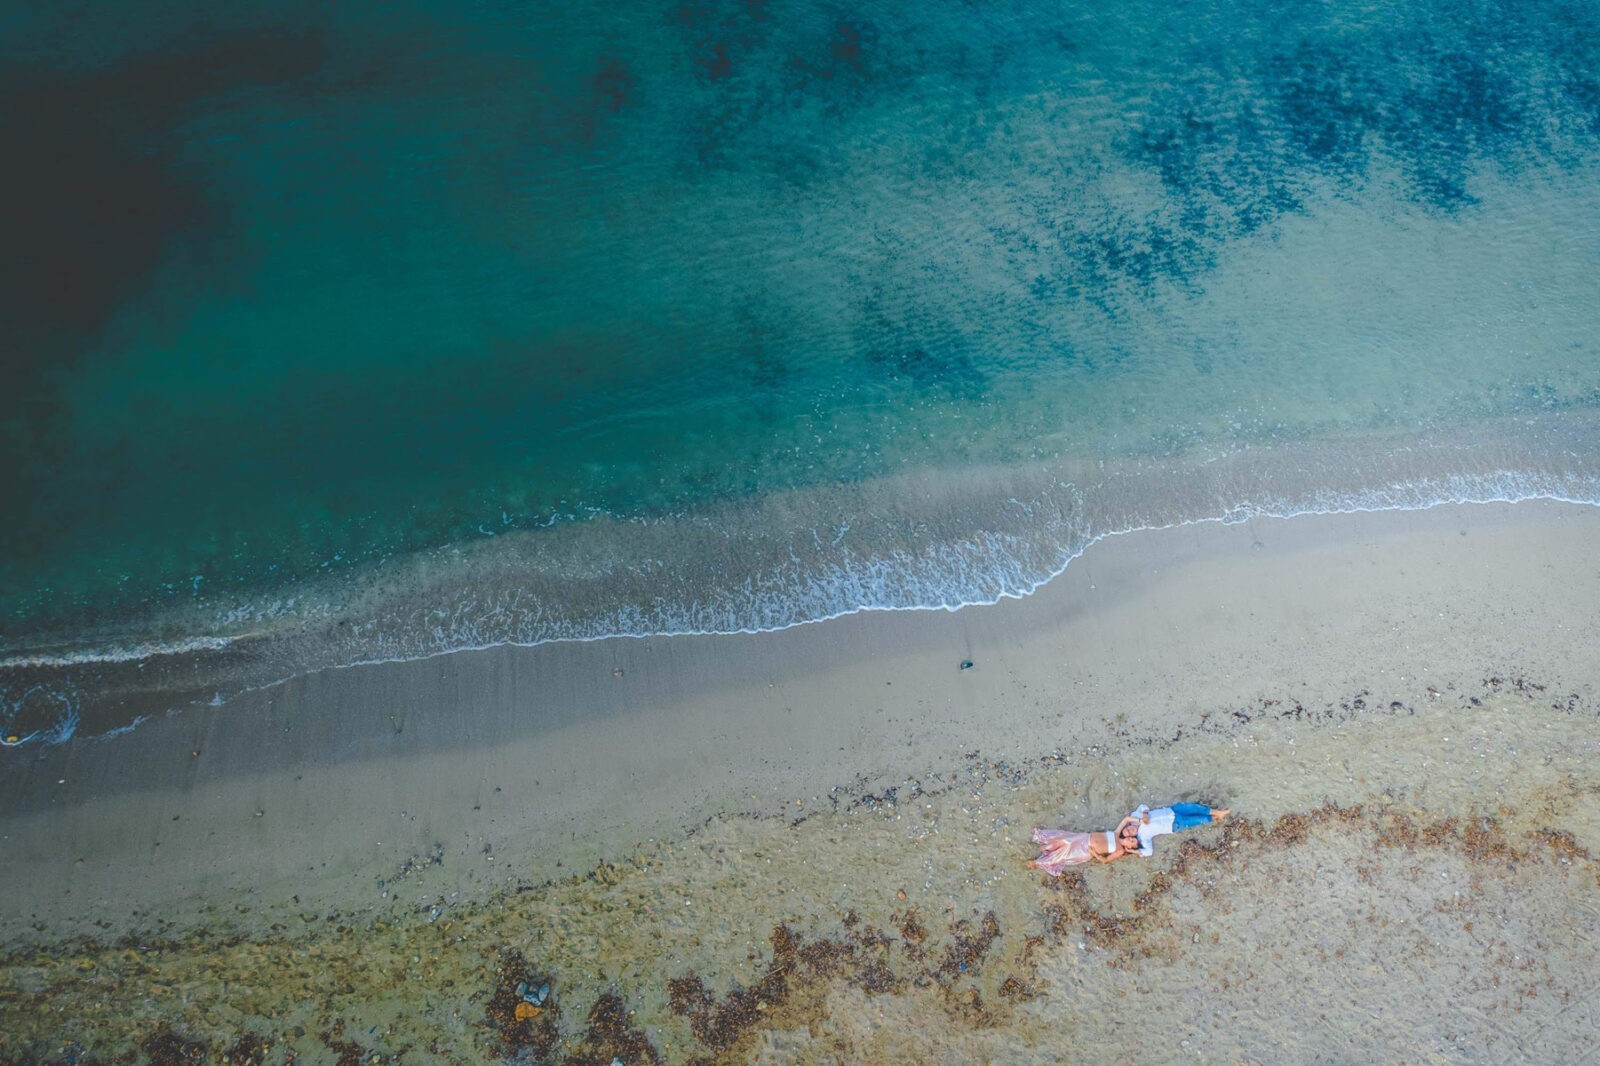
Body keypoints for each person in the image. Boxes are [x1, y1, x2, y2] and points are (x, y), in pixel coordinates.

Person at [1120, 802, 1230, 856]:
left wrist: (1145, 814)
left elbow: (1143, 806)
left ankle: (1218, 813)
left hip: (1170, 811)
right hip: (1173, 824)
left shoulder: (1135, 817)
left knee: (1193, 808)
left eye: (1128, 829)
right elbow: (1149, 852)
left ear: (1127, 825)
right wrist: (1133, 851)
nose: (1131, 830)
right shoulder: (1143, 837)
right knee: (1196, 820)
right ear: (1133, 836)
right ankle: (1217, 817)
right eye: (1130, 834)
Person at [1028, 825, 1130, 875]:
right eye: (1131, 837)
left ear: (1130, 847)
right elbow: (1127, 819)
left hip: (1087, 851)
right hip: (1085, 838)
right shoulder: (1117, 833)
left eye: (1132, 841)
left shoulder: (1120, 850)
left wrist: (1095, 854)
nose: (1130, 839)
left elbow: (1105, 860)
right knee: (1065, 840)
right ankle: (1046, 844)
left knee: (1064, 854)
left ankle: (1038, 862)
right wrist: (1138, 820)